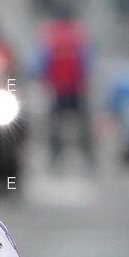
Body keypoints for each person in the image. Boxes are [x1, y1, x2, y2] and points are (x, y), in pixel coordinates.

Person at [37, 8, 94, 167]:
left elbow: (41, 61)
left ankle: (55, 159)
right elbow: (88, 60)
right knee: (83, 127)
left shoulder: (49, 34)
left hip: (57, 89)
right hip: (76, 88)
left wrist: (43, 81)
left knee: (54, 127)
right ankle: (89, 159)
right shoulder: (79, 33)